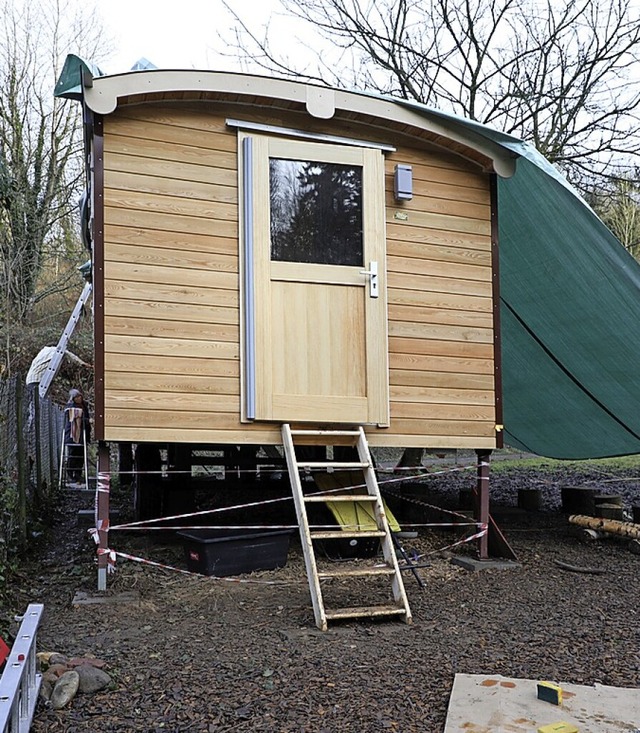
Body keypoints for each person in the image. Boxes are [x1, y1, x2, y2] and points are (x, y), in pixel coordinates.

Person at [64, 388, 91, 483]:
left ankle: (78, 474)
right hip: (73, 435)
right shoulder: (70, 407)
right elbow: (73, 417)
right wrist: (86, 420)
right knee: (72, 455)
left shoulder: (84, 405)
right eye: (77, 397)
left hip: (83, 434)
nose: (79, 398)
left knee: (81, 456)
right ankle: (70, 475)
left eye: (80, 396)